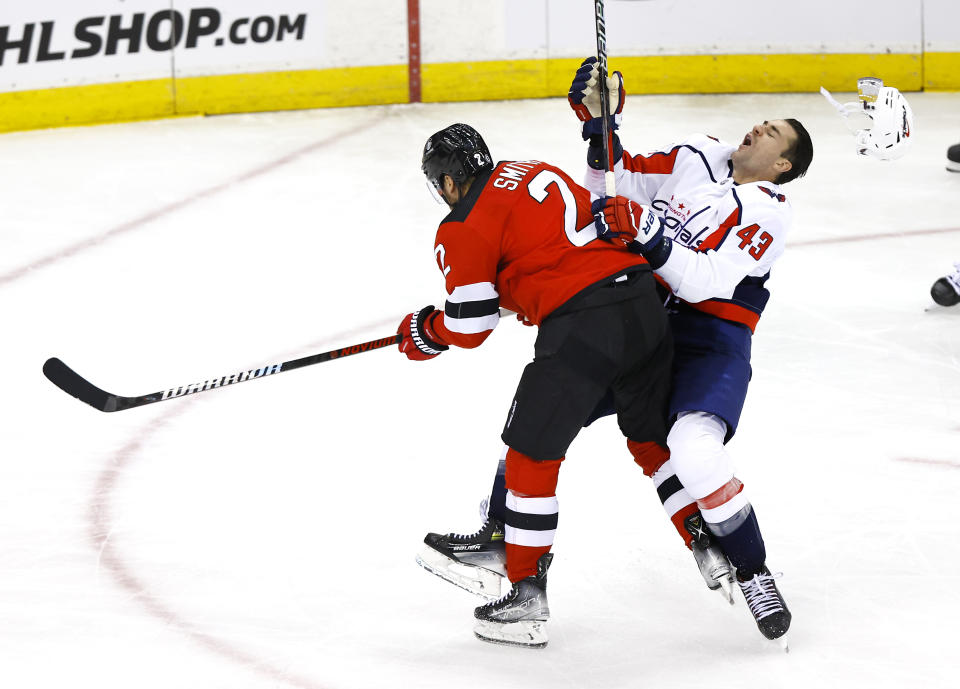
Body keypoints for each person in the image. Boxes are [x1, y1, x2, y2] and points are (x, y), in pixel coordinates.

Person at [418, 58, 813, 646]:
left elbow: (704, 281)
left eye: (775, 133)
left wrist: (647, 239)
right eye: (763, 121)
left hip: (708, 335)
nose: (758, 127)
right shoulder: (697, 156)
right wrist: (603, 123)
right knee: (573, 425)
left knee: (687, 448)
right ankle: (509, 531)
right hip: (643, 313)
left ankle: (753, 572)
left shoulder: (769, 212)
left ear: (783, 165)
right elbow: (615, 181)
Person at [400, 123, 674, 648]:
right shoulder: (530, 171)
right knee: (649, 442)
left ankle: (525, 590)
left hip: (584, 328)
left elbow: (472, 326)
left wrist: (427, 331)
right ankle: (727, 549)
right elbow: (544, 256)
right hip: (643, 309)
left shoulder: (461, 224)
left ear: (448, 183)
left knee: (530, 451)